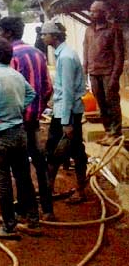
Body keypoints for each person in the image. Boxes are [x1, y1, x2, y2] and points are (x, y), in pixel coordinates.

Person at [0, 16, 55, 220]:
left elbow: (8, 91)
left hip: (17, 122)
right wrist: (37, 111)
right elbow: (48, 88)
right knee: (39, 162)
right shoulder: (38, 53)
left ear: (9, 33)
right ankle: (48, 209)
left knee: (20, 168)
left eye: (0, 31)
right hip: (34, 120)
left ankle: (25, 210)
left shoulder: (10, 56)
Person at [0, 38, 41, 238]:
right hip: (19, 132)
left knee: (2, 182)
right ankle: (33, 220)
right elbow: (32, 93)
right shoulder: (16, 75)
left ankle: (9, 225)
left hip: (0, 136)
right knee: (24, 178)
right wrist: (18, 108)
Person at [41, 21, 88, 204]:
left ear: (54, 36)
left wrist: (67, 122)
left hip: (66, 114)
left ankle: (75, 190)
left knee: (65, 151)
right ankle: (51, 188)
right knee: (62, 151)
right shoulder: (64, 54)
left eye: (45, 34)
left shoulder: (66, 57)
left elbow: (68, 91)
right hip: (63, 112)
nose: (43, 37)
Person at [83, 1, 125, 145]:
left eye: (95, 11)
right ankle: (108, 132)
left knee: (112, 103)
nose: (91, 14)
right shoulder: (89, 30)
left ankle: (116, 133)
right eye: (91, 11)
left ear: (103, 13)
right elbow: (86, 50)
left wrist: (115, 76)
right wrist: (85, 70)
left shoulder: (113, 29)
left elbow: (119, 55)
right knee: (101, 104)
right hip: (93, 73)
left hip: (108, 73)